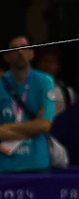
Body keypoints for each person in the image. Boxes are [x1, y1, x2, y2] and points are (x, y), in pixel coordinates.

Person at [0, 34, 58, 174]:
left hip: (37, 163)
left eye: (24, 48)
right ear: (6, 56)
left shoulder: (45, 81)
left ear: (31, 53)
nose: (20, 52)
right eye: (14, 49)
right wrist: (33, 126)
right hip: (6, 166)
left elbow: (45, 125)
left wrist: (6, 128)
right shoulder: (1, 83)